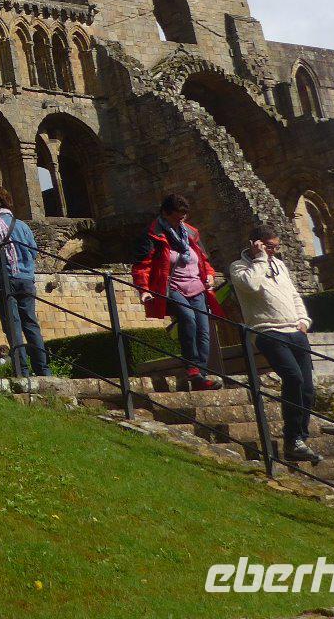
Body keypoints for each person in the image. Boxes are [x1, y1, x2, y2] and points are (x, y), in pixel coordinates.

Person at [230, 223, 322, 464]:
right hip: (267, 331)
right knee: (293, 378)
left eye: (276, 247)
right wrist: (260, 258)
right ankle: (293, 438)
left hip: (295, 331)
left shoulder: (279, 265)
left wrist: (303, 320)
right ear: (256, 244)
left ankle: (298, 439)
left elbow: (293, 294)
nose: (274, 252)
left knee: (308, 389)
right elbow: (251, 286)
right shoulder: (239, 267)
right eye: (270, 247)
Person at [133, 193, 223, 391]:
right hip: (172, 286)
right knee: (187, 318)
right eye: (176, 216)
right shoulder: (153, 234)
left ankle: (201, 375)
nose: (180, 220)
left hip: (197, 287)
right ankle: (192, 368)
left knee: (203, 328)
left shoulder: (190, 233)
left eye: (183, 216)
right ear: (165, 214)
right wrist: (143, 289)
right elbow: (142, 265)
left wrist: (209, 275)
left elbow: (203, 261)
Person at [0, 183, 48, 377]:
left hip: (2, 280)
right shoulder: (21, 224)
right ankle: (43, 370)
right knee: (31, 324)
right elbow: (33, 251)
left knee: (13, 326)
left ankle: (22, 370)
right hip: (25, 279)